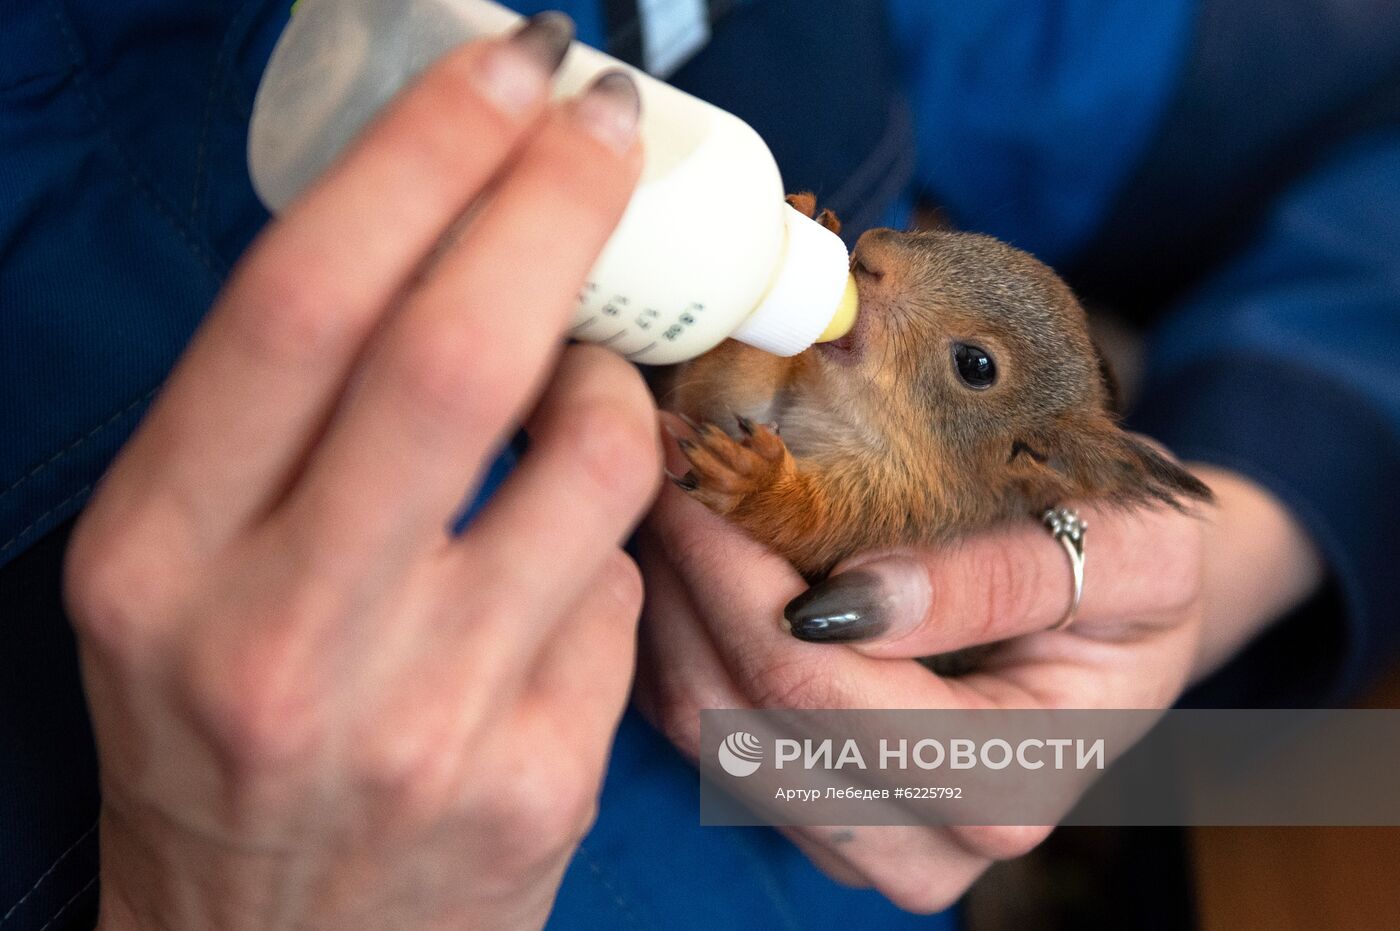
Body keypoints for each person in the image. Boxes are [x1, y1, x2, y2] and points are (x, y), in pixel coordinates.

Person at [2, 0, 1397, 928]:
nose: (872, 264)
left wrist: (1244, 535)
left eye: (962, 361)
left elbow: (1360, 111)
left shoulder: (909, 465)